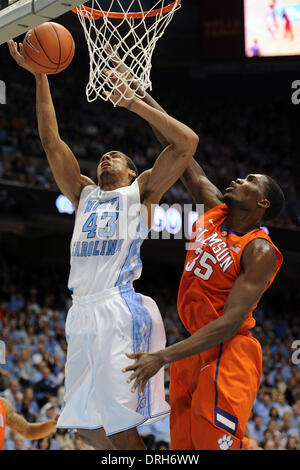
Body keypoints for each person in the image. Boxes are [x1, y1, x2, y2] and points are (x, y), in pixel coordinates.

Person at [8, 39, 198, 451]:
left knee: (120, 427)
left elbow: (186, 143)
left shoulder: (142, 193)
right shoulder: (84, 194)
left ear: (133, 171)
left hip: (119, 309)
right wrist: (41, 75)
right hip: (80, 311)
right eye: (104, 156)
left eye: (117, 156)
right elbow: (51, 143)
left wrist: (134, 103)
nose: (107, 157)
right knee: (84, 428)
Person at [121, 77, 285, 449]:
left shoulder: (258, 250)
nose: (238, 179)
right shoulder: (216, 209)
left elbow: (228, 324)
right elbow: (179, 148)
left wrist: (161, 356)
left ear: (262, 204)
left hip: (230, 351)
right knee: (185, 449)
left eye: (249, 181)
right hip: (193, 348)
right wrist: (139, 94)